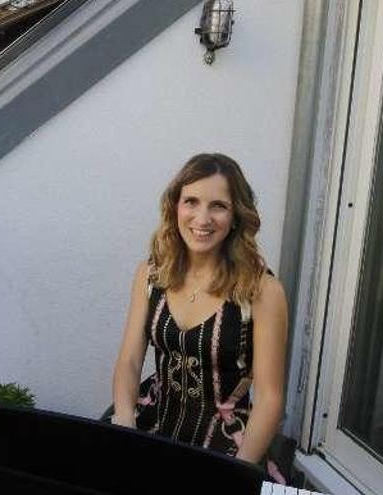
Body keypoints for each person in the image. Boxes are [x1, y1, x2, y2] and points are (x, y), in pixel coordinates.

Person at [111, 153, 288, 475]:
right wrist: (124, 421)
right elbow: (130, 361)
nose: (202, 218)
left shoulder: (263, 291)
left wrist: (239, 471)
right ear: (175, 207)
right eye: (191, 201)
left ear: (236, 216)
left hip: (226, 445)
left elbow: (270, 398)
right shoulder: (151, 275)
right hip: (153, 422)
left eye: (218, 205)